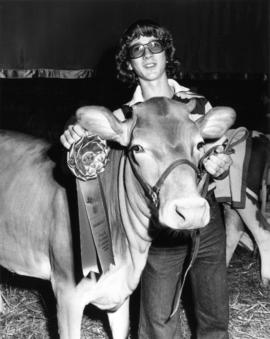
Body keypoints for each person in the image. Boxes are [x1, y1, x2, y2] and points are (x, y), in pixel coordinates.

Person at [60, 19, 232, 339]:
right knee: (158, 321)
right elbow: (85, 125)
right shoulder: (127, 114)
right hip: (158, 220)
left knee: (213, 312)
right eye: (137, 50)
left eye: (155, 46)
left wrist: (219, 165)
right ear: (128, 63)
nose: (148, 55)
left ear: (167, 53)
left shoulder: (197, 104)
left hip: (202, 211)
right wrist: (72, 127)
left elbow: (215, 157)